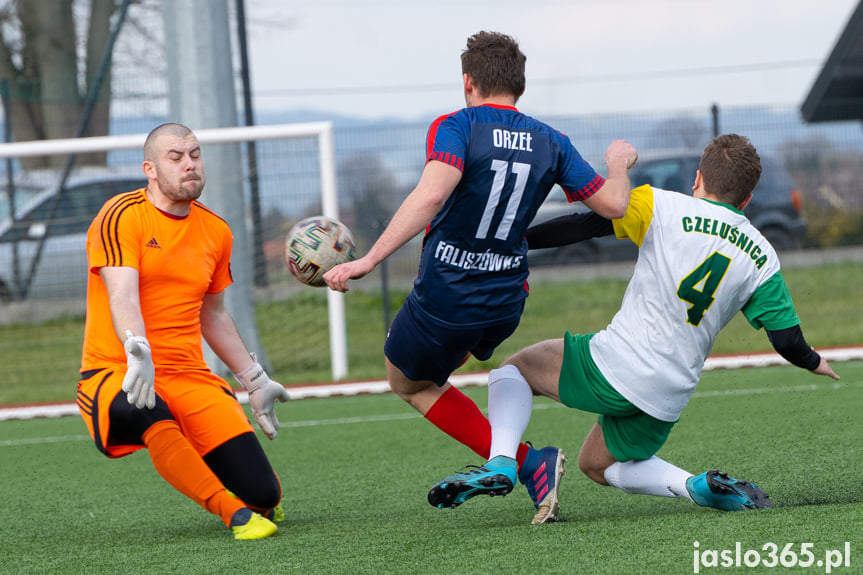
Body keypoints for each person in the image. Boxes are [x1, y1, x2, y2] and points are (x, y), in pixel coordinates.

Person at [434, 133, 840, 516]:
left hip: (618, 365)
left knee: (515, 369)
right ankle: (694, 486)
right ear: (748, 198)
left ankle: (503, 461)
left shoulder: (661, 205)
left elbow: (583, 225)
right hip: (669, 393)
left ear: (697, 178)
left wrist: (517, 239)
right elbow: (786, 339)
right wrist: (812, 361)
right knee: (595, 465)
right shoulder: (762, 255)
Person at [323, 31, 638, 523]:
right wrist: (618, 164)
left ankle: (527, 462)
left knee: (408, 383)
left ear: (468, 82)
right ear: (520, 86)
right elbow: (614, 205)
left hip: (447, 298)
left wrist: (368, 261)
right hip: (508, 301)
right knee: (452, 363)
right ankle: (517, 456)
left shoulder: (458, 126)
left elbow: (430, 196)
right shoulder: (552, 140)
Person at [76, 123, 290, 540]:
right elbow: (123, 295)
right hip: (116, 371)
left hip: (189, 376)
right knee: (145, 408)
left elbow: (213, 316)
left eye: (194, 154)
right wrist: (137, 351)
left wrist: (254, 379)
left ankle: (251, 506)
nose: (188, 163)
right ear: (150, 169)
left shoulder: (216, 230)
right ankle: (234, 515)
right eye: (175, 157)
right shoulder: (121, 215)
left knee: (265, 494)